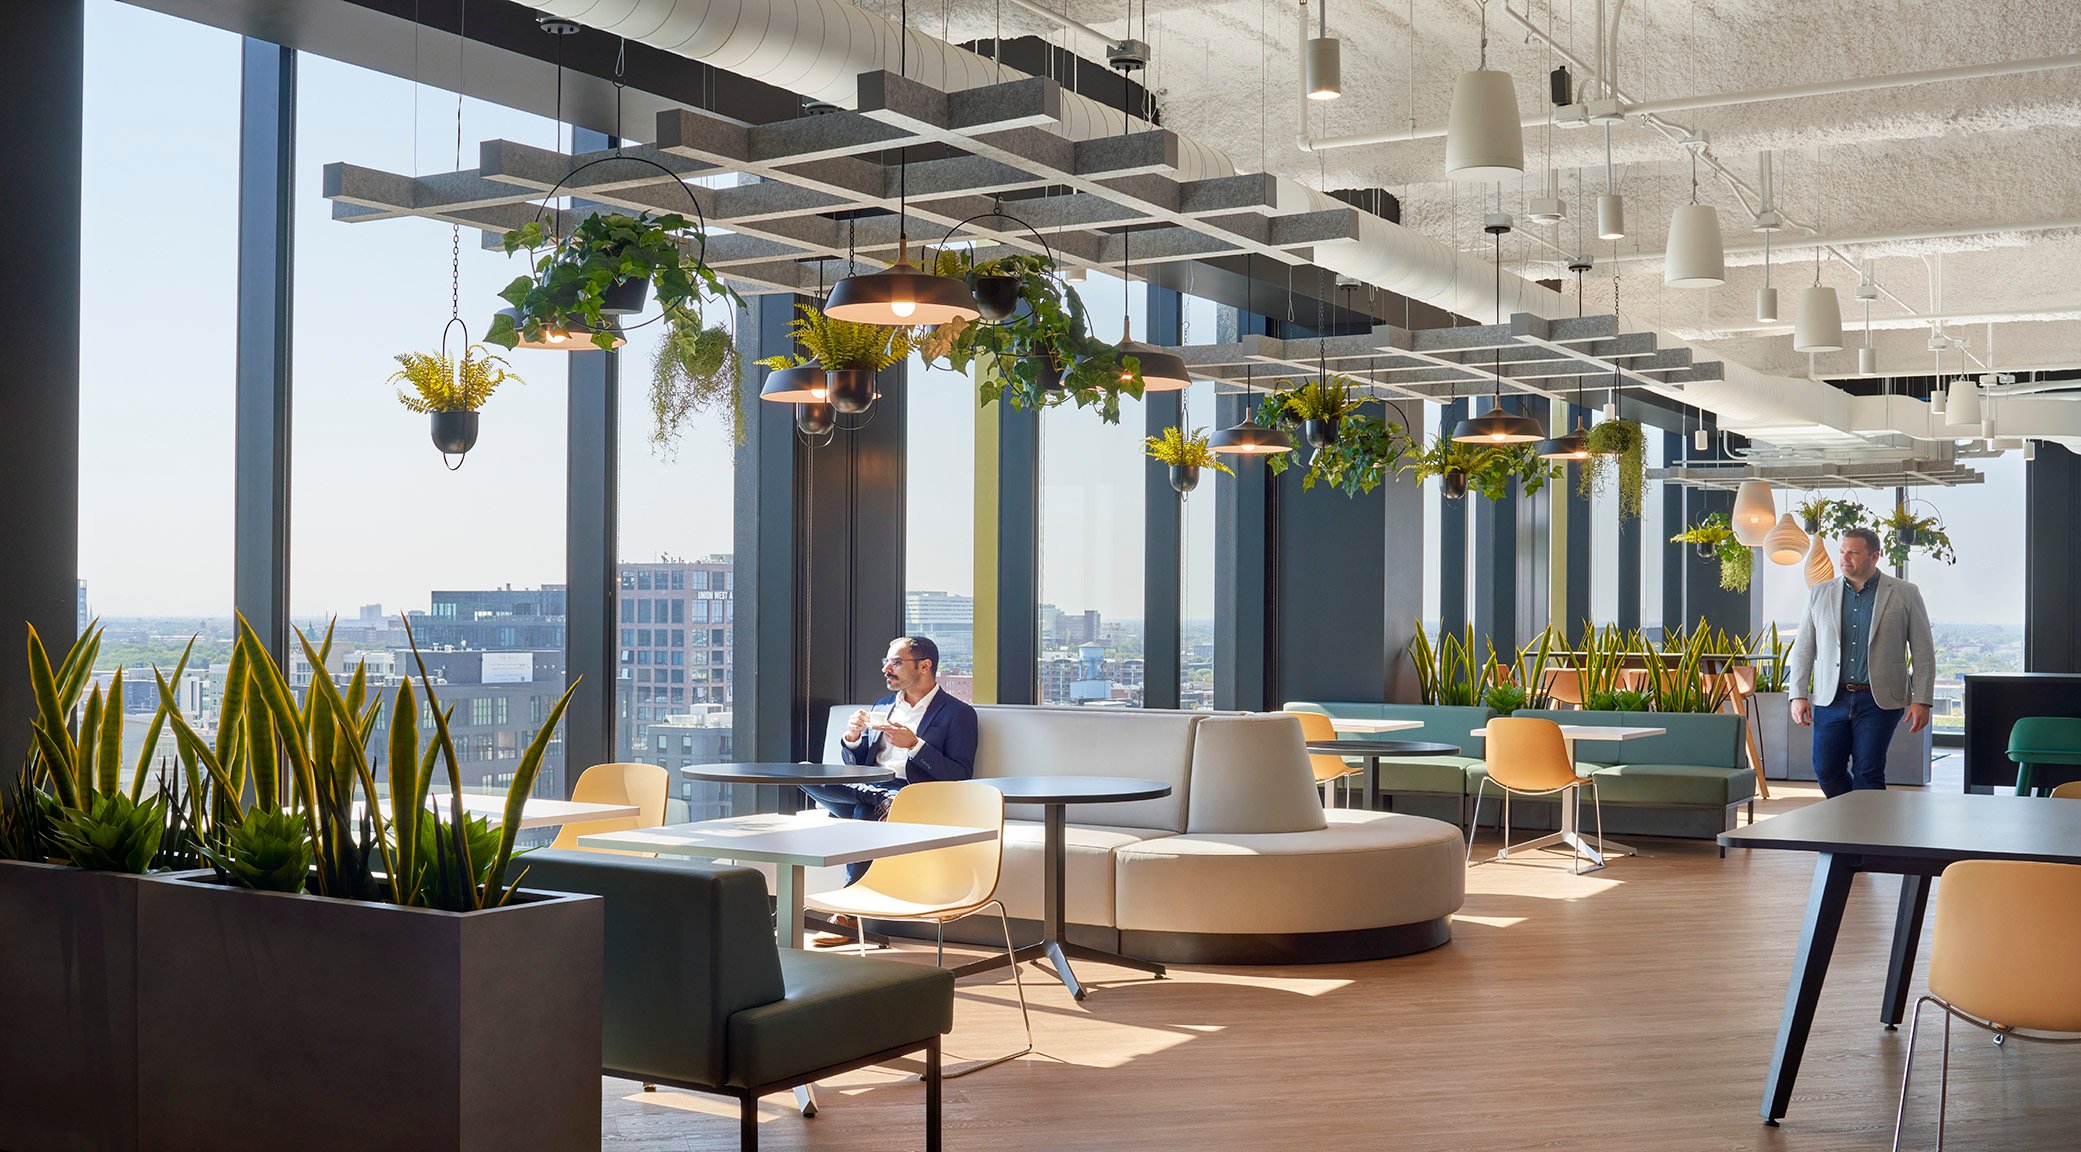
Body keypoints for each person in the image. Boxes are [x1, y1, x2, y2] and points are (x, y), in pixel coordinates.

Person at [800, 635, 978, 886]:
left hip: (912, 794)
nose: (885, 669)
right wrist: (852, 737)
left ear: (924, 665)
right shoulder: (882, 705)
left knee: (864, 811)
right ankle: (881, 799)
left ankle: (853, 903)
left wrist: (915, 745)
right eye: (886, 661)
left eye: (895, 662)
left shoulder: (958, 714)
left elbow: (960, 774)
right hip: (874, 787)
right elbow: (859, 764)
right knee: (804, 773)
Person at [1786, 526, 1935, 797]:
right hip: (1831, 699)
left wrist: (1921, 699)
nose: (1844, 558)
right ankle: (1851, 820)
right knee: (1826, 769)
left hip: (1879, 701)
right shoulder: (1819, 593)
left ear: (1875, 556)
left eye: (1853, 553)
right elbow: (1804, 647)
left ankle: (1866, 834)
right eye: (1842, 551)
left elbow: (1923, 651)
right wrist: (1797, 694)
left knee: (1869, 771)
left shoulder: (1905, 593)